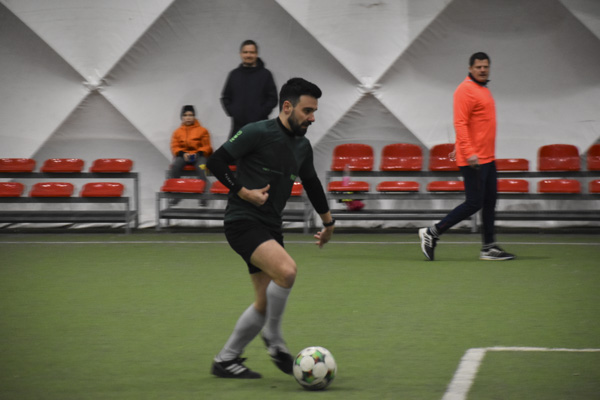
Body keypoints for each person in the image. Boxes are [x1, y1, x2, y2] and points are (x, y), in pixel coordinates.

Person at [207, 77, 336, 379]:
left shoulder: (302, 146)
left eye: (314, 111)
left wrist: (329, 222)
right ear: (287, 107)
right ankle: (274, 338)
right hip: (242, 221)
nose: (312, 118)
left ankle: (225, 360)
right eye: (307, 111)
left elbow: (312, 183)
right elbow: (216, 161)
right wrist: (243, 192)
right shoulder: (257, 132)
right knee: (287, 272)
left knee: (263, 304)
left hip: (271, 227)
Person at [419, 52, 515, 261]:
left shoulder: (483, 90)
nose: (483, 70)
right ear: (470, 68)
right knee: (474, 203)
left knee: (489, 201)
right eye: (478, 67)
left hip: (487, 158)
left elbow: (477, 124)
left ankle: (488, 247)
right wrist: (469, 152)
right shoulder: (465, 90)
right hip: (474, 159)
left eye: (486, 66)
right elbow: (460, 122)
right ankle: (432, 232)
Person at [221, 39, 278, 139]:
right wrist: (233, 112)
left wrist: (261, 113)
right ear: (240, 54)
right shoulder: (234, 75)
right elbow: (226, 97)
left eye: (252, 52)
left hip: (260, 127)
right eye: (245, 52)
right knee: (233, 149)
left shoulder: (265, 74)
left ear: (256, 54)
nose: (248, 55)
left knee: (260, 150)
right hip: (238, 128)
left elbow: (273, 99)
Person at [169, 105, 213, 205]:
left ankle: (203, 196)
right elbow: (174, 146)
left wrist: (198, 154)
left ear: (194, 116)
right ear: (182, 117)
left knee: (202, 167)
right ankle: (176, 195)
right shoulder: (177, 132)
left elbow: (207, 147)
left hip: (199, 156)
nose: (188, 117)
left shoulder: (203, 130)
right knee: (175, 166)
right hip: (184, 156)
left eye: (190, 115)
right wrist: (182, 153)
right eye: (185, 115)